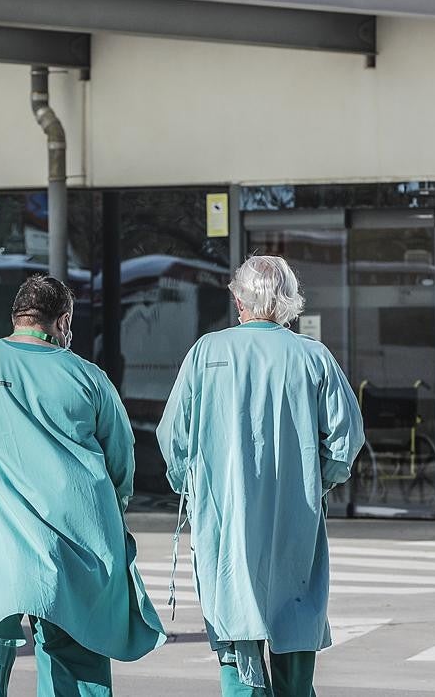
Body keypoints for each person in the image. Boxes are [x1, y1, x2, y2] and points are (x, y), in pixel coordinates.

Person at [0, 274, 166, 697]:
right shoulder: (90, 377)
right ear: (63, 322)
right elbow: (120, 458)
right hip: (77, 543)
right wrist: (115, 510)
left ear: (17, 318)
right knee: (77, 655)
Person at [157, 255, 364, 697]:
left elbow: (173, 437)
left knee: (236, 643)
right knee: (295, 631)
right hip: (296, 517)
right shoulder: (313, 357)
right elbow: (346, 437)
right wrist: (317, 481)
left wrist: (192, 487)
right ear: (290, 301)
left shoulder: (207, 353)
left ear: (237, 299)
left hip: (225, 518)